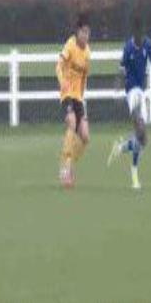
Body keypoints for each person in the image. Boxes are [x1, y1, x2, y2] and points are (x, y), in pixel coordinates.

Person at [107, 16, 151, 189]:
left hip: (141, 92)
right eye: (138, 34)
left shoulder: (148, 45)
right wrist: (116, 91)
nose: (141, 37)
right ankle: (134, 176)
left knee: (143, 140)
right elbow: (121, 71)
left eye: (143, 33)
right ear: (134, 33)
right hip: (131, 92)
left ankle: (121, 147)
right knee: (140, 129)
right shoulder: (128, 48)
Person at [56, 14, 91, 188]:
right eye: (83, 32)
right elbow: (58, 66)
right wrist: (62, 83)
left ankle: (69, 165)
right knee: (72, 122)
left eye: (88, 33)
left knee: (85, 136)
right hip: (67, 93)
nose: (86, 36)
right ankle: (65, 165)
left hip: (77, 97)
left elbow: (84, 77)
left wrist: (81, 97)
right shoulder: (70, 45)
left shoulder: (87, 53)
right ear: (77, 32)